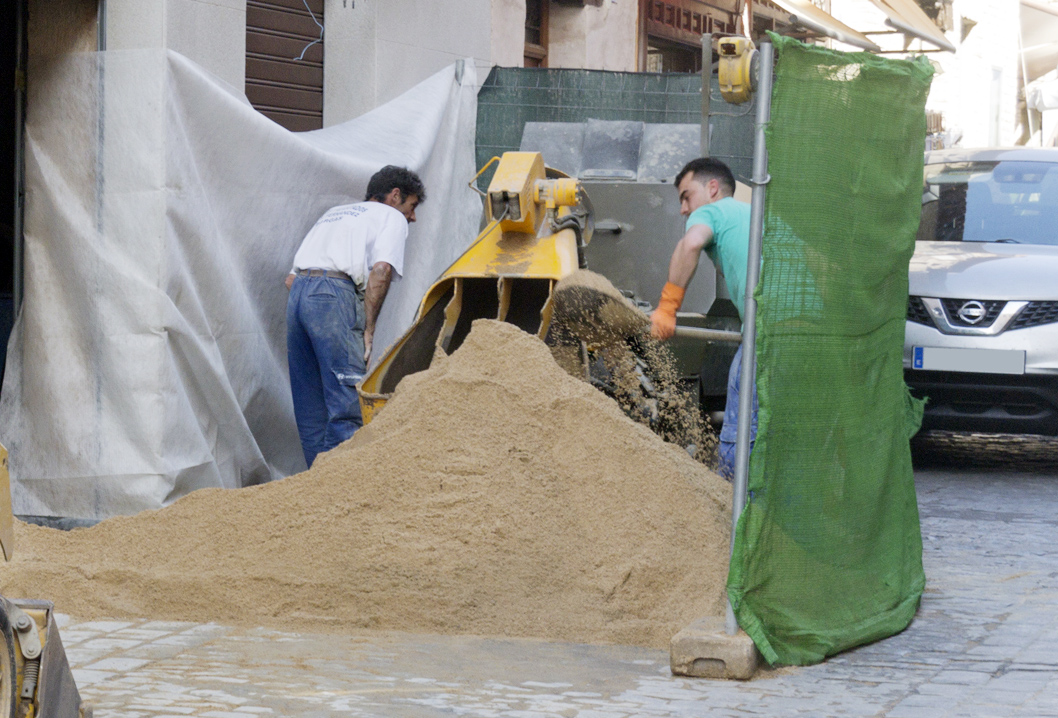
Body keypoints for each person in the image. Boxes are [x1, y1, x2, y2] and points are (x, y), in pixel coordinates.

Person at [285, 165, 425, 467]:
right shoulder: (391, 217)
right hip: (333, 294)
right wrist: (368, 328)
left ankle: (314, 488)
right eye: (412, 206)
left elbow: (290, 280)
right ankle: (339, 491)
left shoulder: (335, 213)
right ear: (395, 195)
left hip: (299, 296)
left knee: (311, 409)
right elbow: (382, 270)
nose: (412, 216)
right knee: (347, 405)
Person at [650, 157, 757, 480]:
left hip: (769, 332)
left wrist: (668, 306)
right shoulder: (754, 215)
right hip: (808, 329)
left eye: (686, 196)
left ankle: (732, 513)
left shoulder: (713, 210)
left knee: (741, 436)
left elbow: (691, 243)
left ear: (712, 188)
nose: (684, 209)